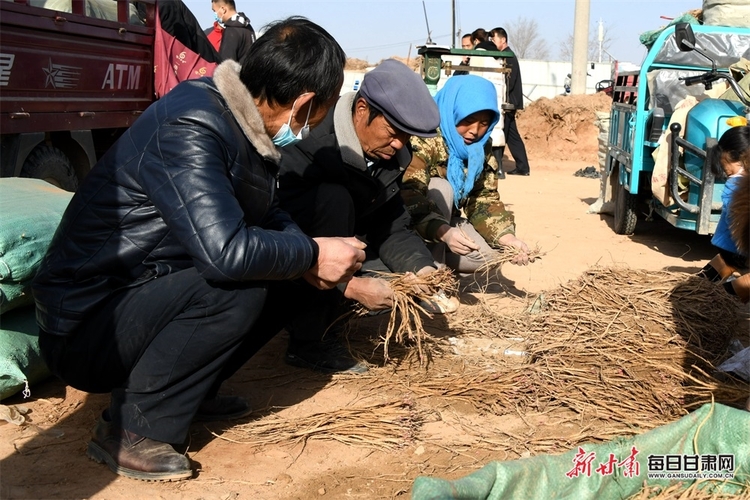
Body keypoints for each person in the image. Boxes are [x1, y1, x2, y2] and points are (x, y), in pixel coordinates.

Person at [31, 17, 364, 482]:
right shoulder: (192, 121)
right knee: (238, 281)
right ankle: (130, 430)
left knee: (286, 264)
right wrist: (310, 253)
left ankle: (189, 391)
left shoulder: (244, 129)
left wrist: (308, 251)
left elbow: (266, 217)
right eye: (321, 111)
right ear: (305, 102)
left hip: (143, 296)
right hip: (88, 324)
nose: (316, 124)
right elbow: (224, 252)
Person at [276, 59, 458, 374]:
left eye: (407, 136)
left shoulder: (391, 156)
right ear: (362, 109)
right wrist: (351, 287)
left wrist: (424, 270)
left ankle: (336, 308)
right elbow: (282, 230)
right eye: (392, 131)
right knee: (335, 199)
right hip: (287, 257)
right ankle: (309, 342)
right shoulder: (311, 143)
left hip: (342, 250)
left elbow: (391, 227)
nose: (399, 143)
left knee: (394, 282)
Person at [402, 75, 531, 274]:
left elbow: (483, 199)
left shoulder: (481, 148)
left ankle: (436, 263)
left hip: (443, 223)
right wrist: (442, 232)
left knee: (491, 256)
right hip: (406, 225)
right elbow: (409, 194)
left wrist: (507, 238)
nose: (475, 131)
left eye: (484, 123)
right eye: (468, 121)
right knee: (441, 189)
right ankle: (430, 277)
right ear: (452, 111)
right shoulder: (425, 136)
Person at [697, 125, 749, 303]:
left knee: (729, 270)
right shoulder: (739, 184)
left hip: (735, 251)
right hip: (738, 250)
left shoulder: (736, 184)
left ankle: (704, 295)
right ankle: (709, 300)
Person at [488, 27, 530, 176]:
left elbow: (508, 82)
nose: (492, 42)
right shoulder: (506, 56)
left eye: (494, 39)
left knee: (502, 134)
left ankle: (496, 166)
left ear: (503, 40)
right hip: (510, 102)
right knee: (512, 136)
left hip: (509, 102)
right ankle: (523, 167)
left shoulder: (508, 57)